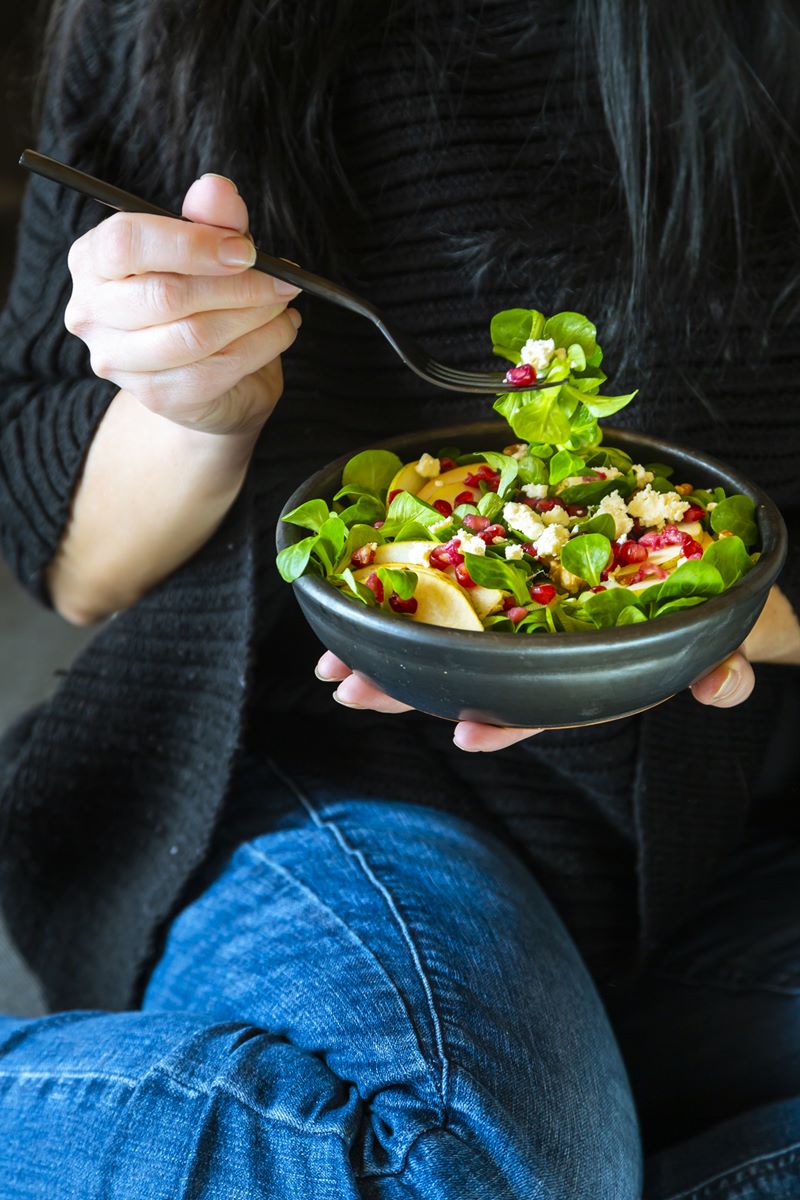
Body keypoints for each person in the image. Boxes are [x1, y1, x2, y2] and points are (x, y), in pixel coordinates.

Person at [1, 0, 799, 1195]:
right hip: (320, 777)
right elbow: (66, 565)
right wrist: (190, 409)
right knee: (467, 1162)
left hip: (739, 827)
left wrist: (701, 619)